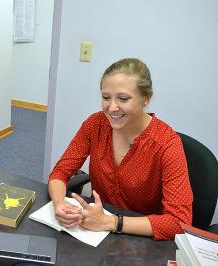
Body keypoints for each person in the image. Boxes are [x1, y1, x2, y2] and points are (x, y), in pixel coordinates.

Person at [48, 58, 193, 240]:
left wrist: (111, 222)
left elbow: (179, 222)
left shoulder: (167, 144)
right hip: (95, 230)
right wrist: (59, 204)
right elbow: (60, 172)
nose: (112, 107)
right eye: (106, 97)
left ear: (146, 99)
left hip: (141, 238)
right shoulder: (95, 124)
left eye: (123, 98)